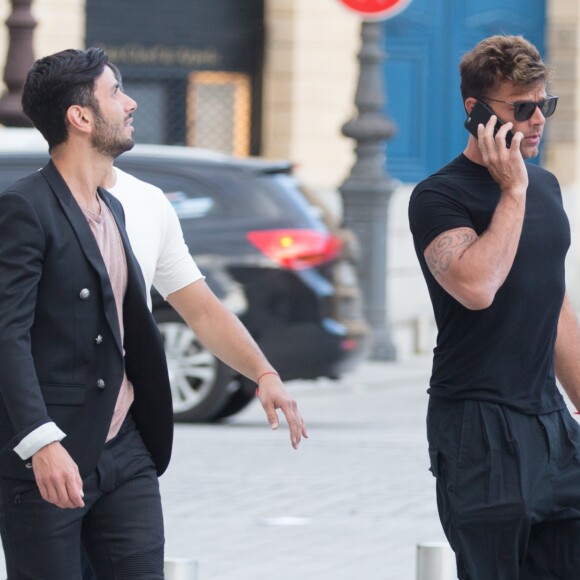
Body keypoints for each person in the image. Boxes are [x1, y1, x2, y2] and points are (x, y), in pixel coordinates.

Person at [0, 47, 304, 579]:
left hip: (126, 450)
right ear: (80, 117)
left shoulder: (123, 206)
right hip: (49, 457)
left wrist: (264, 372)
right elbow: (7, 334)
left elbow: (201, 308)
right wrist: (39, 442)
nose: (131, 102)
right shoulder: (25, 207)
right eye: (115, 91)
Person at [408, 35, 580, 579]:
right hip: (478, 426)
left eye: (544, 105)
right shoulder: (439, 196)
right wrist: (511, 192)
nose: (536, 121)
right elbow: (477, 285)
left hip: (550, 422)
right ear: (475, 110)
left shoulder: (546, 188)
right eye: (522, 107)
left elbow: (552, 307)